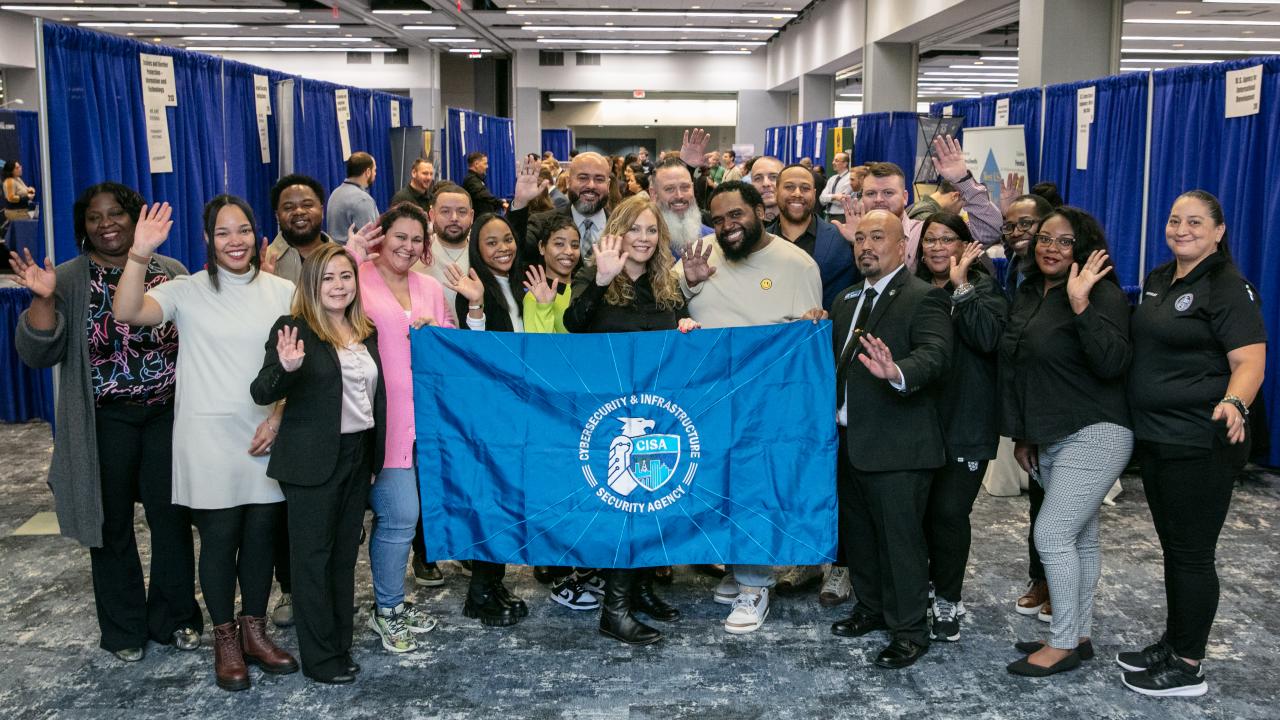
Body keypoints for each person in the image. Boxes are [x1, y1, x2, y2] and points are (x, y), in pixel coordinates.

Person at [112, 195, 298, 691]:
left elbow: (298, 364)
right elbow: (127, 311)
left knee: (261, 538)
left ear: (256, 235)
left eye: (241, 231)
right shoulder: (185, 290)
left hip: (265, 435)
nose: (233, 241)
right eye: (222, 232)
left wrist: (278, 418)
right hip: (207, 436)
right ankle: (226, 639)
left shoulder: (283, 290)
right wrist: (138, 253)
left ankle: (255, 631)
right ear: (207, 240)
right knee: (220, 541)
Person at [11, 182, 202, 663]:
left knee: (172, 520)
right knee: (110, 526)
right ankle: (123, 630)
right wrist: (43, 300)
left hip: (168, 416)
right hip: (104, 422)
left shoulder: (171, 273)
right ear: (83, 226)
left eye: (116, 213)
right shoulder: (70, 279)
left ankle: (175, 618)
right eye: (95, 217)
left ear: (135, 219)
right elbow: (37, 353)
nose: (106, 223)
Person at [1118, 190, 1266, 698]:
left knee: (1193, 554)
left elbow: (1249, 362)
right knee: (1174, 550)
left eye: (1196, 222)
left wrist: (1236, 404)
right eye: (1175, 219)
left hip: (1199, 442)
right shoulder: (1161, 279)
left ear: (1219, 231)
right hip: (1158, 439)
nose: (1182, 229)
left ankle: (1188, 665)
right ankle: (1174, 639)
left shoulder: (1227, 287)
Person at [675, 181, 824, 634]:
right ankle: (739, 570)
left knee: (755, 488)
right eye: (718, 219)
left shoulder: (797, 265)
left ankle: (756, 586)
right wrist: (686, 284)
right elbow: (667, 308)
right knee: (719, 486)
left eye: (736, 215)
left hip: (766, 404)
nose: (726, 227)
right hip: (708, 398)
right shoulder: (700, 254)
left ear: (762, 210)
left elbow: (807, 341)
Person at [1000, 206, 1133, 678]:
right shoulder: (1031, 290)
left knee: (1052, 533)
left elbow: (1113, 363)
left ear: (1085, 248)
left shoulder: (1103, 295)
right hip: (1049, 432)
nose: (1050, 248)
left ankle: (1061, 643)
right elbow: (1018, 365)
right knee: (1080, 536)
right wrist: (1023, 434)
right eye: (1044, 238)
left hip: (1095, 430)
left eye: (1064, 241)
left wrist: (1081, 305)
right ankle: (1077, 633)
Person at [560, 195, 695, 644]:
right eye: (635, 229)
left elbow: (676, 334)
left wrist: (686, 328)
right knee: (622, 507)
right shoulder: (592, 271)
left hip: (656, 416)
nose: (643, 238)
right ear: (618, 231)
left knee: (652, 504)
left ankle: (638, 591)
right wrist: (600, 280)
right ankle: (613, 611)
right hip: (609, 418)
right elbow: (572, 325)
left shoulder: (666, 285)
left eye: (651, 230)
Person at [250, 243, 385, 685]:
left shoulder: (364, 330)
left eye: (345, 276)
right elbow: (262, 391)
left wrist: (373, 457)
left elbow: (370, 399)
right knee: (312, 560)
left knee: (344, 557)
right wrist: (286, 368)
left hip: (357, 454)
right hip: (311, 463)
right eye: (327, 277)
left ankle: (339, 644)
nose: (338, 285)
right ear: (311, 283)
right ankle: (320, 657)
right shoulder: (294, 328)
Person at [827, 209, 953, 670]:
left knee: (901, 543)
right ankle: (873, 608)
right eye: (859, 239)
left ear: (903, 246)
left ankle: (909, 631)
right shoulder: (845, 300)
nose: (866, 247)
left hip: (900, 445)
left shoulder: (923, 298)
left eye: (877, 237)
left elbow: (936, 357)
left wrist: (896, 370)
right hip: (849, 440)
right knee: (860, 535)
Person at [353, 202, 454, 653]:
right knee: (399, 517)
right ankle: (387, 609)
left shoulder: (430, 288)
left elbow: (453, 342)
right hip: (374, 423)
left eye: (417, 239)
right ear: (381, 236)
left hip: (425, 425)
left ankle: (391, 603)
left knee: (402, 517)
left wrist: (438, 332)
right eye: (400, 237)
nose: (408, 247)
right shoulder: (354, 277)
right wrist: (350, 254)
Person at [913, 212, 1007, 642]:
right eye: (929, 239)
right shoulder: (911, 290)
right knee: (918, 516)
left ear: (965, 245)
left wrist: (962, 284)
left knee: (950, 514)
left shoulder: (985, 290)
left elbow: (988, 339)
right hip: (916, 424)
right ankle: (922, 589)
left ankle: (948, 597)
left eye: (947, 239)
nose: (935, 247)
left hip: (966, 426)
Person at [441, 214, 530, 627]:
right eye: (491, 243)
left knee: (509, 501)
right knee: (490, 500)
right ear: (477, 248)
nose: (502, 248)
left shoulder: (520, 282)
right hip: (490, 411)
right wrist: (474, 303)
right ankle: (479, 593)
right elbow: (474, 345)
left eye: (507, 239)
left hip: (520, 408)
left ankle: (493, 582)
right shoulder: (472, 289)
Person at [261, 172, 333, 628]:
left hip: (331, 396)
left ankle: (327, 588)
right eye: (289, 206)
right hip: (281, 395)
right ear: (277, 215)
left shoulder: (345, 255)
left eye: (307, 203)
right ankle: (288, 590)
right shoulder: (263, 261)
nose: (299, 211)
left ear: (321, 208)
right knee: (283, 506)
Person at [997, 192, 1055, 622]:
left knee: (1064, 512)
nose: (1017, 233)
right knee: (1039, 499)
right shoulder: (1017, 269)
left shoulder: (1064, 273)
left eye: (1026, 225)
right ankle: (1040, 578)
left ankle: (1060, 587)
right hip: (1029, 405)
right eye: (1010, 226)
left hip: (1065, 408)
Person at [858, 136, 1002, 271]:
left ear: (905, 197)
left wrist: (962, 180)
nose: (878, 199)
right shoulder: (849, 234)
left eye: (888, 193)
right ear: (862, 197)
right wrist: (855, 242)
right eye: (870, 193)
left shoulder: (927, 232)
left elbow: (989, 231)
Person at [768, 163, 859, 311]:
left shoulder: (841, 239)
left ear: (815, 193)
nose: (797, 193)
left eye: (805, 188)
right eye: (789, 187)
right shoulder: (760, 243)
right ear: (776, 191)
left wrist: (859, 242)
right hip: (775, 331)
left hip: (829, 331)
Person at [509, 153, 611, 262]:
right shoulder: (542, 223)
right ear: (568, 182)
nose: (591, 185)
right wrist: (520, 203)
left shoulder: (624, 227)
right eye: (583, 178)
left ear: (608, 186)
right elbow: (516, 250)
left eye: (599, 179)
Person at [415, 181, 473, 319]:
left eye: (462, 212)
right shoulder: (415, 254)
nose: (454, 218)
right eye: (445, 211)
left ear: (472, 216)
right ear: (432, 215)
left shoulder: (484, 253)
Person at [523, 215, 581, 334]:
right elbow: (540, 346)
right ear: (542, 247)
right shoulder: (534, 296)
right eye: (559, 244)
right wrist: (544, 307)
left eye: (575, 245)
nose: (569, 251)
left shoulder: (584, 289)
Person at [651, 156, 712, 258]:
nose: (679, 196)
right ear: (654, 194)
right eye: (669, 189)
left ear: (692, 188)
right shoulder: (645, 245)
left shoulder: (712, 238)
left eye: (685, 187)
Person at [326, 152, 380, 245]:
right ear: (367, 172)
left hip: (335, 254)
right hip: (353, 257)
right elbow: (372, 239)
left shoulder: (335, 193)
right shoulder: (363, 200)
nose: (375, 174)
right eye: (374, 170)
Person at [462, 151, 505, 216]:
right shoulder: (471, 180)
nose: (487, 166)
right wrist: (501, 203)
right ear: (476, 164)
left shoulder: (477, 179)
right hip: (478, 221)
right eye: (485, 163)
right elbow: (484, 196)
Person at [746, 155, 783, 223]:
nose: (765, 184)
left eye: (773, 177)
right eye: (758, 178)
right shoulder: (745, 227)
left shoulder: (800, 226)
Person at [818, 152, 852, 222]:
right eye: (833, 160)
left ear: (845, 164)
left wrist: (829, 197)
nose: (833, 163)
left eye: (836, 161)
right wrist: (834, 197)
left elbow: (841, 201)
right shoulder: (832, 179)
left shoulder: (850, 178)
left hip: (842, 216)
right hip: (828, 215)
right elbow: (821, 199)